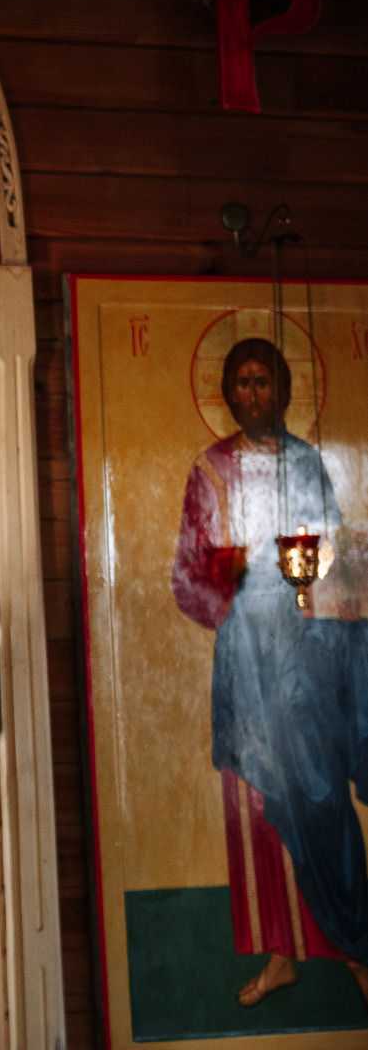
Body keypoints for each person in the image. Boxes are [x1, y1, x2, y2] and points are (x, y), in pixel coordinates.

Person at [171, 336, 367, 1007]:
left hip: (310, 658)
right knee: (259, 808)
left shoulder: (308, 462)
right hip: (249, 662)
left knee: (319, 801)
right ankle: (282, 952)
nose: (254, 394)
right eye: (243, 383)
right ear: (226, 394)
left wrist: (313, 567)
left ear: (282, 390)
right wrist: (237, 565)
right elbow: (189, 571)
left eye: (264, 382)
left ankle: (355, 945)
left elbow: (338, 554)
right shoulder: (212, 470)